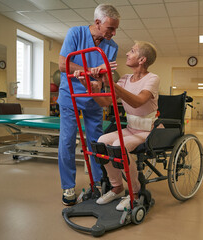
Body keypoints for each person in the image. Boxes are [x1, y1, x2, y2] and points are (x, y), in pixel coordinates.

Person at [74, 41, 159, 211]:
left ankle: (135, 192)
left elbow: (138, 102)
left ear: (142, 59)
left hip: (148, 131)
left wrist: (110, 85)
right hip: (131, 129)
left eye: (132, 51)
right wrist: (88, 85)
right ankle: (117, 187)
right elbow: (105, 102)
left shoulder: (153, 78)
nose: (127, 53)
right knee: (101, 142)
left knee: (118, 145)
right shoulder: (125, 78)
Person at [58, 4, 120, 206]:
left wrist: (97, 76)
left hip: (93, 98)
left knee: (97, 143)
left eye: (115, 28)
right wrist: (92, 69)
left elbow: (102, 78)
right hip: (71, 96)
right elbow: (62, 64)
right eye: (110, 28)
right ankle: (68, 186)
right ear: (97, 23)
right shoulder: (75, 33)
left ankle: (98, 182)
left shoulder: (112, 47)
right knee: (67, 140)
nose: (113, 32)